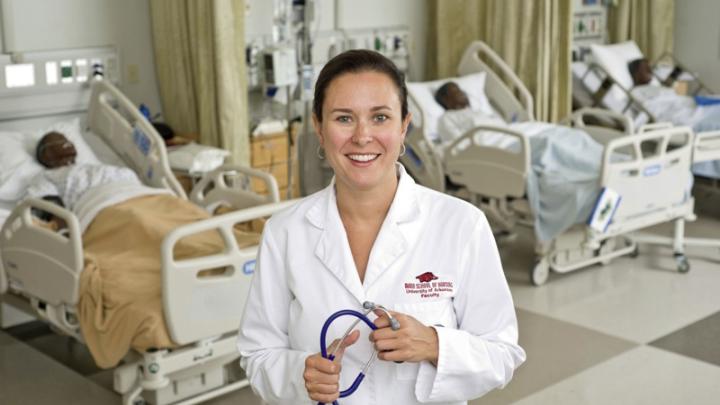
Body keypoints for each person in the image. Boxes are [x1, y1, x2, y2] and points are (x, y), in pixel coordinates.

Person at [237, 50, 525, 405]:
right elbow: (257, 354)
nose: (362, 136)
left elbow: (502, 354)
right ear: (319, 127)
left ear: (403, 126)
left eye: (380, 117)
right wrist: (300, 374)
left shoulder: (462, 225)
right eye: (344, 118)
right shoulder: (285, 233)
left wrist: (436, 345)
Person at [434, 81, 505, 144]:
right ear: (446, 100)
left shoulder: (477, 111)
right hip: (491, 145)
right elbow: (457, 144)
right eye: (456, 91)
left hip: (506, 137)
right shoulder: (446, 118)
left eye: (460, 90)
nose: (462, 93)